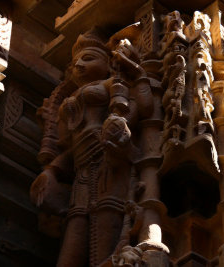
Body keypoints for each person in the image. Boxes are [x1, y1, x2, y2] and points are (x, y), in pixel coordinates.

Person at [30, 32, 145, 266]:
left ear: (107, 63)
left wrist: (119, 127)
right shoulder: (69, 99)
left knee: (107, 218)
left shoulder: (114, 82)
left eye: (89, 59)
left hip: (111, 159)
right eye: (75, 64)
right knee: (76, 225)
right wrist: (51, 171)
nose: (79, 66)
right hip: (81, 168)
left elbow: (137, 108)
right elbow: (67, 146)